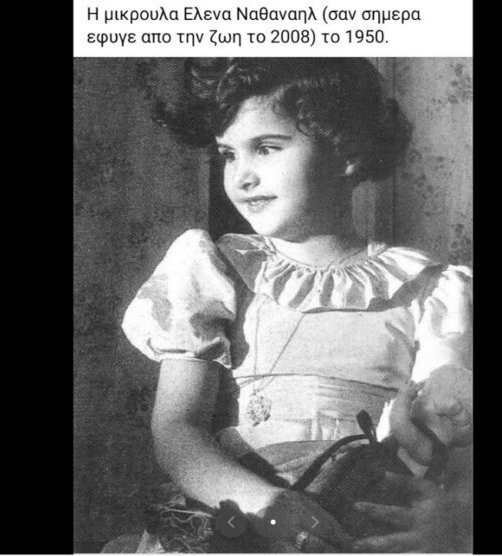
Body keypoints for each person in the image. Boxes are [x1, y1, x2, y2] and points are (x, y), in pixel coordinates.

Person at [120, 58, 472, 553]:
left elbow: (453, 441)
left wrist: (454, 512)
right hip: (237, 520)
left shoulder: (429, 290)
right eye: (228, 155)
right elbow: (176, 431)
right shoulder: (214, 268)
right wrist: (262, 503)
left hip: (359, 531)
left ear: (347, 151)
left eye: (265, 148)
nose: (242, 176)